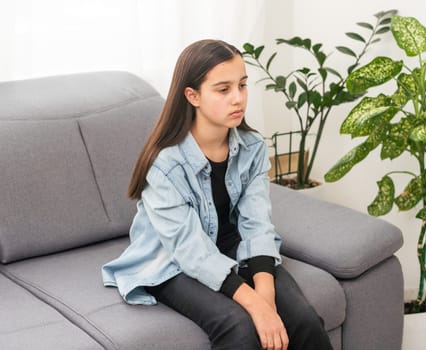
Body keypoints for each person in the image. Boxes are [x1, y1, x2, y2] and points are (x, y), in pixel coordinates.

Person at [102, 39, 333, 350]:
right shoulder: (166, 165)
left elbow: (257, 224)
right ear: (192, 95)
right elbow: (190, 250)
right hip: (172, 261)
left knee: (303, 320)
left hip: (232, 246)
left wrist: (266, 299)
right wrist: (253, 304)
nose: (238, 98)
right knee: (239, 327)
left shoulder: (250, 147)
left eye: (242, 85)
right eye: (223, 90)